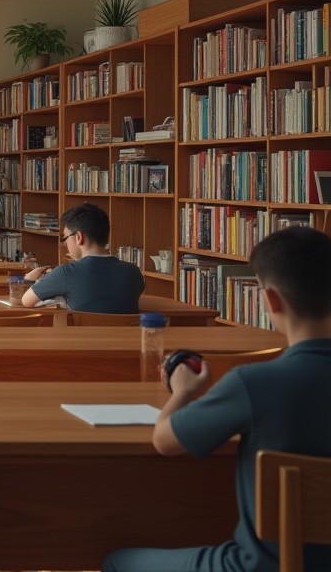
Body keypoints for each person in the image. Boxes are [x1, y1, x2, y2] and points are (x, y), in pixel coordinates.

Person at [102, 226, 331, 572]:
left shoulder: (253, 383)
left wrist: (184, 392)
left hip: (257, 566)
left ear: (270, 300)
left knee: (116, 561)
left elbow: (165, 440)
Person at [21, 202, 143, 311]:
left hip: (80, 336)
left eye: (65, 238)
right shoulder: (134, 273)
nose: (65, 244)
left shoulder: (65, 273)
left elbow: (26, 301)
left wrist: (30, 280)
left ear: (79, 237)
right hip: (127, 336)